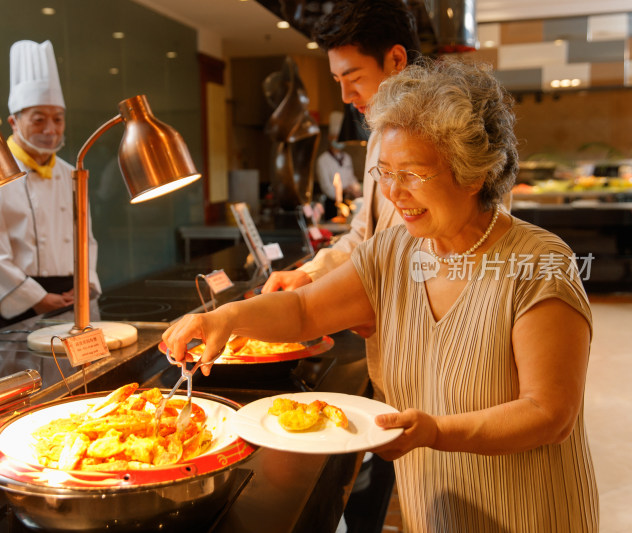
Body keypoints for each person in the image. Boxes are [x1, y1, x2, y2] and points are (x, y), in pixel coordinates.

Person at [163, 58, 598, 532]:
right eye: (384, 173)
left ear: (473, 173)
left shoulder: (536, 263)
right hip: (434, 508)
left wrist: (436, 431)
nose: (393, 192)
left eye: (411, 173)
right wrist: (227, 317)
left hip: (529, 513)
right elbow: (304, 309)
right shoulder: (391, 253)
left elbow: (549, 412)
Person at [263, 0, 421, 295]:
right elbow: (364, 234)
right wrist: (310, 274)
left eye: (355, 78)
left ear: (397, 60)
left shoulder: (452, 135)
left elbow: (464, 253)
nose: (347, 95)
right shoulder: (379, 138)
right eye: (338, 80)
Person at [0, 40, 101, 334]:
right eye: (39, 120)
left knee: (67, 376)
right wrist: (36, 298)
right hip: (10, 301)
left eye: (58, 119)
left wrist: (85, 284)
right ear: (14, 122)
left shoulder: (72, 174)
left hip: (68, 297)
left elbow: (86, 240)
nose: (50, 130)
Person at [315, 110, 362, 217]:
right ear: (330, 138)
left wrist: (356, 189)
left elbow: (351, 178)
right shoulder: (323, 160)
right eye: (336, 137)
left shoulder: (347, 158)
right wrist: (344, 190)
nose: (339, 141)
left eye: (341, 138)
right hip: (331, 205)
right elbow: (327, 187)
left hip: (348, 201)